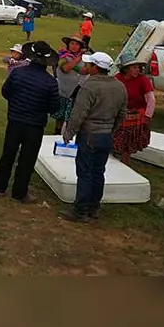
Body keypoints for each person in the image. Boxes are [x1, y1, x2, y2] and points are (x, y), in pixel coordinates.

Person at [59, 51, 128, 223]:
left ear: (96, 68)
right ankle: (94, 207)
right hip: (105, 136)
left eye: (88, 64)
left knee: (85, 173)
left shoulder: (90, 86)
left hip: (89, 135)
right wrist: (111, 131)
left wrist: (69, 133)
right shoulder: (119, 86)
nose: (85, 66)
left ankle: (80, 210)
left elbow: (79, 113)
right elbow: (122, 114)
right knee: (99, 172)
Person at [0, 41, 60, 202]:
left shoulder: (17, 73)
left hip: (15, 120)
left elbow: (6, 92)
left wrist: (16, 104)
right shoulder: (50, 82)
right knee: (27, 159)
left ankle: (0, 187)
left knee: (8, 154)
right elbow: (54, 107)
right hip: (35, 124)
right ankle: (19, 192)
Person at [113, 59, 155, 165]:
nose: (137, 70)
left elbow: (150, 99)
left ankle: (125, 162)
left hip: (136, 114)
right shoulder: (117, 78)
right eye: (134, 68)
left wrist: (147, 116)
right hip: (120, 112)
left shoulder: (143, 79)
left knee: (128, 142)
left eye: (138, 68)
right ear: (126, 69)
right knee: (114, 138)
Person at [53, 34, 87, 135]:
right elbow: (65, 68)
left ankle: (67, 135)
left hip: (76, 92)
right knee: (60, 116)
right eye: (72, 43)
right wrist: (78, 58)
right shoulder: (62, 56)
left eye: (77, 44)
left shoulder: (84, 58)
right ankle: (57, 132)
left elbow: (84, 71)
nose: (74, 46)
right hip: (63, 90)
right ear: (68, 44)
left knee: (71, 117)